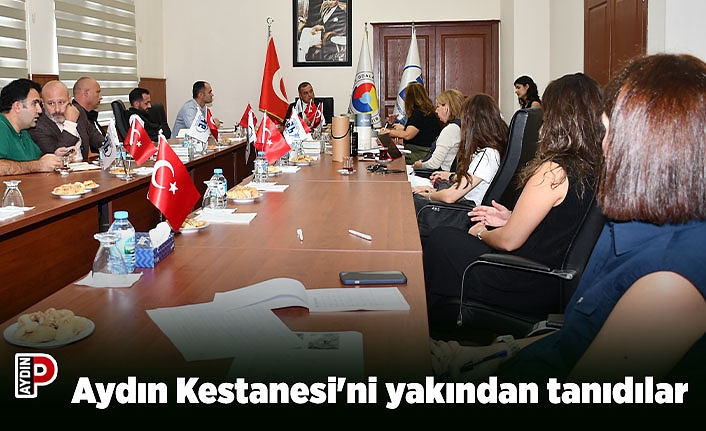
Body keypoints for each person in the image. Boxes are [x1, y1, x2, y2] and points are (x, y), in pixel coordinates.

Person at [431, 54, 706, 397]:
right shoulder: (625, 226)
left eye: (611, 133)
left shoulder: (670, 282)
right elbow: (573, 335)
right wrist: (490, 354)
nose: (603, 145)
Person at [423, 72, 604, 320]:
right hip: (551, 281)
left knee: (441, 240)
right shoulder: (595, 165)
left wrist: (480, 232)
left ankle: (428, 325)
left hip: (524, 281)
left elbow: (509, 241)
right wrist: (511, 217)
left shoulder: (553, 171)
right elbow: (562, 225)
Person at [413, 93, 507, 212]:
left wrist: (428, 195)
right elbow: (464, 185)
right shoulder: (488, 150)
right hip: (461, 202)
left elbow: (450, 197)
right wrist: (435, 190)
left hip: (464, 210)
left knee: (413, 199)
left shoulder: (488, 155)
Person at [0, 79, 63, 175]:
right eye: (34, 103)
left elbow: (36, 159)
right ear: (17, 106)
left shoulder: (23, 132)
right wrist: (38, 166)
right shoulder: (1, 127)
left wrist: (54, 158)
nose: (40, 110)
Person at [29, 80, 99, 162]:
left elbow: (97, 138)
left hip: (84, 166)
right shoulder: (37, 125)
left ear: (69, 100)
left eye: (61, 102)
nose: (57, 109)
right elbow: (58, 157)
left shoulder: (77, 111)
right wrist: (70, 123)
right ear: (43, 103)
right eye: (51, 103)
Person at [379, 82, 441, 165]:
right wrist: (400, 128)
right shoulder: (425, 111)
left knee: (394, 161)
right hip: (421, 151)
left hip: (420, 154)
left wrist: (389, 132)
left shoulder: (419, 113)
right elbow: (417, 131)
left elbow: (408, 135)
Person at [411, 89, 465, 172]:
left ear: (446, 108)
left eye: (438, 106)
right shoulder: (463, 126)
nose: (436, 111)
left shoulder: (450, 130)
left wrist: (419, 165)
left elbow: (434, 164)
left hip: (438, 175)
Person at [72, 76, 106, 141]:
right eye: (97, 92)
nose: (100, 97)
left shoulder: (90, 115)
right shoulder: (76, 118)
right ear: (86, 93)